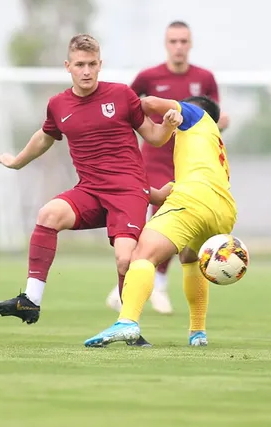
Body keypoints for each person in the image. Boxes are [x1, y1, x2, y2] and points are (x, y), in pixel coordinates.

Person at [0, 34, 179, 337]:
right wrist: (17, 161)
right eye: (80, 65)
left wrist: (168, 124)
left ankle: (129, 325)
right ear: (68, 66)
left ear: (100, 65)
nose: (87, 71)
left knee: (125, 258)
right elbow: (44, 137)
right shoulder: (58, 104)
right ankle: (30, 301)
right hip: (90, 190)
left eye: (92, 64)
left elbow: (154, 137)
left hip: (128, 190)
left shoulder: (122, 96)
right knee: (48, 214)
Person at [84, 95, 236, 348]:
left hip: (193, 200)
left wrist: (117, 109)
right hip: (224, 210)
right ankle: (198, 333)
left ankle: (127, 322)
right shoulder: (213, 139)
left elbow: (150, 103)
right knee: (190, 258)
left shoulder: (196, 115)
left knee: (143, 255)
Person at [107, 20, 228, 315]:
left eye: (183, 41)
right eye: (173, 41)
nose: (178, 47)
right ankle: (148, 281)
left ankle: (153, 281)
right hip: (156, 158)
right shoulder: (149, 76)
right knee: (160, 219)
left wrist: (220, 124)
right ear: (166, 44)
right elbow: (130, 107)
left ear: (190, 44)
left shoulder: (205, 78)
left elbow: (212, 118)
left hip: (189, 166)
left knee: (182, 229)